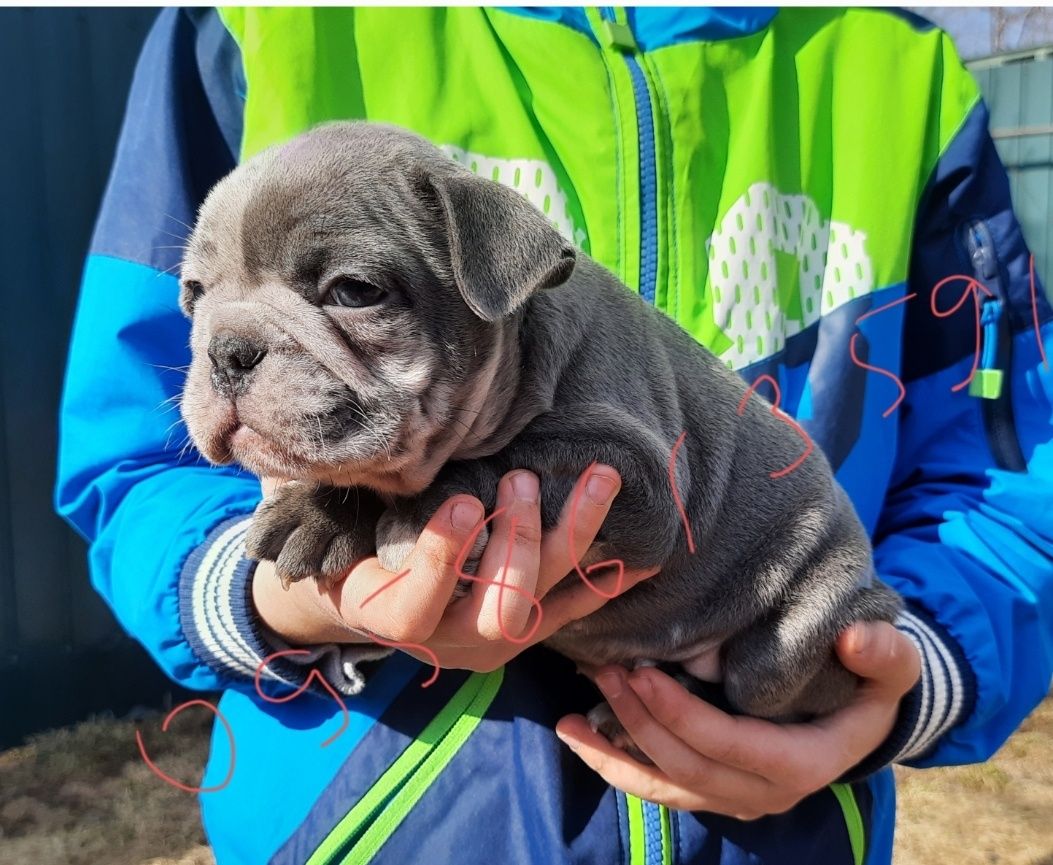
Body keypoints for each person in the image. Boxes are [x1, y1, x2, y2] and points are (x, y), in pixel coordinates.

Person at [56, 7, 1053, 865]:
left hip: (775, 824)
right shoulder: (258, 20)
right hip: (363, 823)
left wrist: (897, 676)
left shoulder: (889, 64)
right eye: (201, 294)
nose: (230, 341)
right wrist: (265, 585)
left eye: (352, 291)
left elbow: (1008, 474)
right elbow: (130, 451)